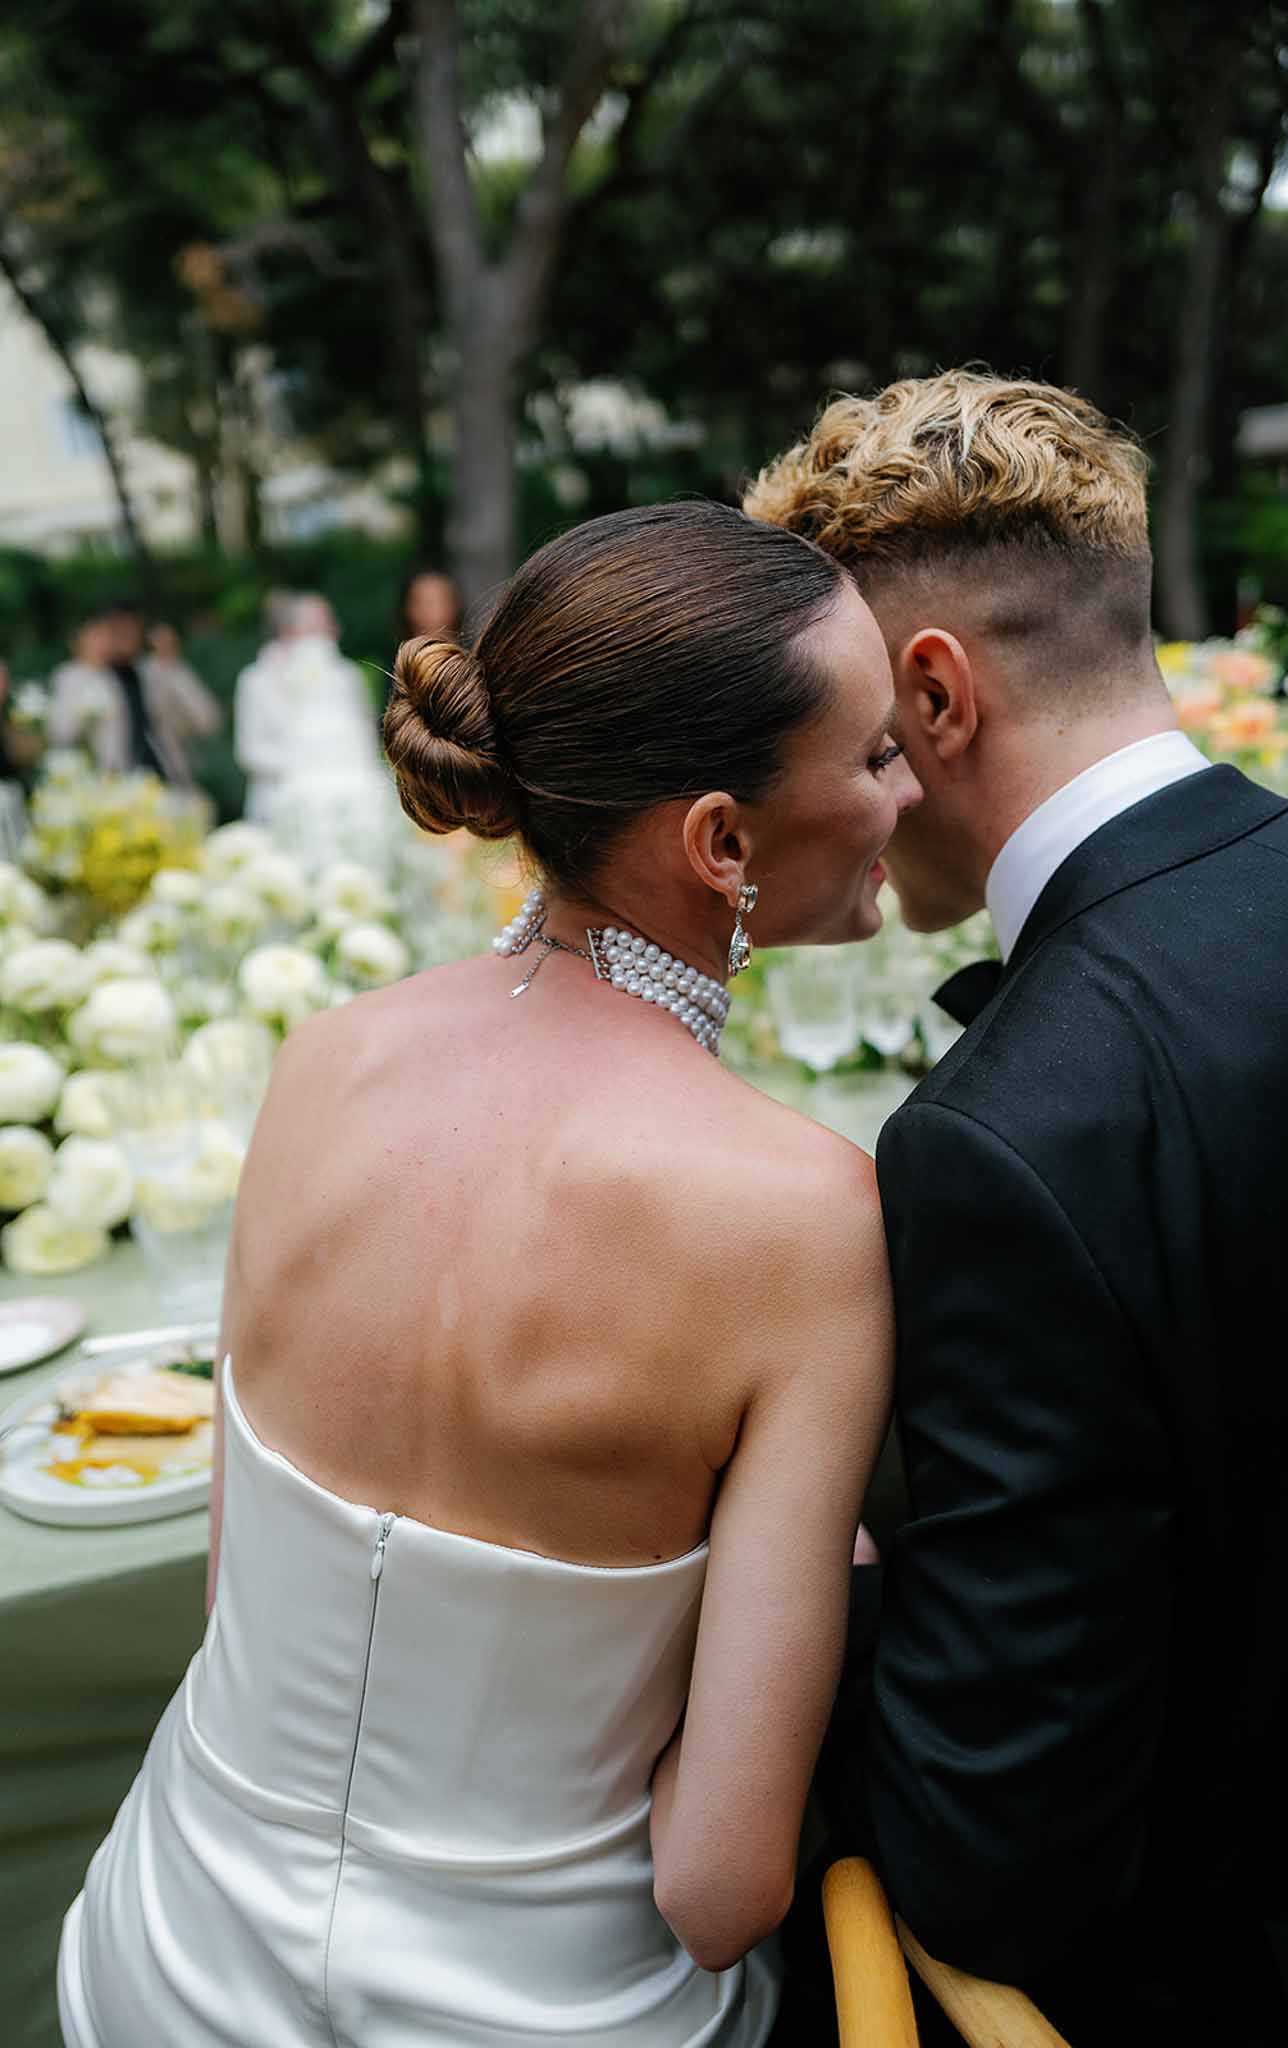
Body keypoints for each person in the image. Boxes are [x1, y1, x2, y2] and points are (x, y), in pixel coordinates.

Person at [59, 499, 916, 2048]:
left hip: (161, 1954)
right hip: (537, 2011)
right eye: (871, 757)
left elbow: (238, 1601)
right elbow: (718, 1890)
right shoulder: (796, 1217)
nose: (911, 788)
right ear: (719, 842)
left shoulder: (322, 1062)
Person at [744, 370, 1288, 2047]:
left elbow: (994, 1843)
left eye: (848, 725)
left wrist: (823, 1580)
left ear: (934, 696)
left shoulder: (1001, 1138)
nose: (844, 784)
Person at [234, 593, 383, 850]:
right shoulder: (256, 680)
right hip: (278, 804)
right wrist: (311, 766)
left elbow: (363, 738)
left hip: (350, 805)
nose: (324, 635)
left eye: (326, 625)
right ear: (288, 632)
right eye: (313, 627)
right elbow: (250, 751)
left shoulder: (349, 676)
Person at [47, 603, 219, 784]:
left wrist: (173, 664)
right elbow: (61, 734)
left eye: (132, 628)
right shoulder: (77, 676)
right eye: (116, 630)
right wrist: (90, 669)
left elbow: (207, 721)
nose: (125, 637)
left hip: (169, 780)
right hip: (112, 786)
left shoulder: (156, 672)